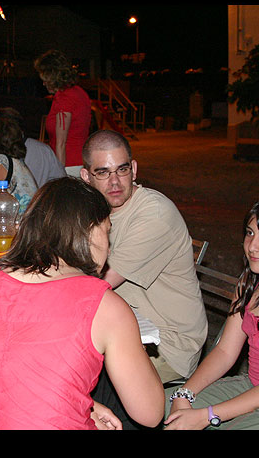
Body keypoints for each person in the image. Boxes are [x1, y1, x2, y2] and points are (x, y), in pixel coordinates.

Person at [0, 177, 164, 429]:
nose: (109, 247)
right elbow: (150, 413)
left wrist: (85, 403)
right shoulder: (102, 305)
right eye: (107, 231)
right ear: (89, 231)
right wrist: (135, 345)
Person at [81, 130, 207, 384]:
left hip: (167, 347)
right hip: (124, 329)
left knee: (71, 372)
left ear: (134, 170)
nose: (114, 182)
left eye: (122, 170)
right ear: (86, 177)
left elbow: (97, 284)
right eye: (103, 172)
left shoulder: (154, 214)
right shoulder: (93, 211)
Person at [164, 190, 259, 430]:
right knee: (161, 404)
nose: (253, 246)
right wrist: (184, 394)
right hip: (253, 385)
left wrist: (207, 415)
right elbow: (224, 351)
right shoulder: (249, 286)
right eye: (250, 233)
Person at [34, 49, 92, 177]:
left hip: (68, 165)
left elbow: (61, 143)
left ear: (53, 77)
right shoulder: (79, 93)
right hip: (83, 161)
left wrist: (60, 176)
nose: (43, 83)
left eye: (45, 79)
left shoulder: (64, 98)